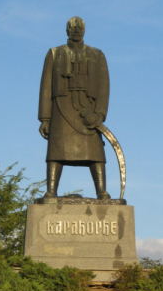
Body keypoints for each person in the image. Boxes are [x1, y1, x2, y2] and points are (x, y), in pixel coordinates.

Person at [38, 16, 110, 199]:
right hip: (61, 109)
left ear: (84, 30)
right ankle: (51, 191)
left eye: (80, 27)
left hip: (88, 111)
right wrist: (45, 118)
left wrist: (100, 114)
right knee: (56, 151)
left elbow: (104, 87)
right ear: (67, 30)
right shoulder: (54, 53)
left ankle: (101, 192)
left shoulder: (97, 54)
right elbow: (46, 87)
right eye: (73, 27)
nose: (77, 30)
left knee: (95, 152)